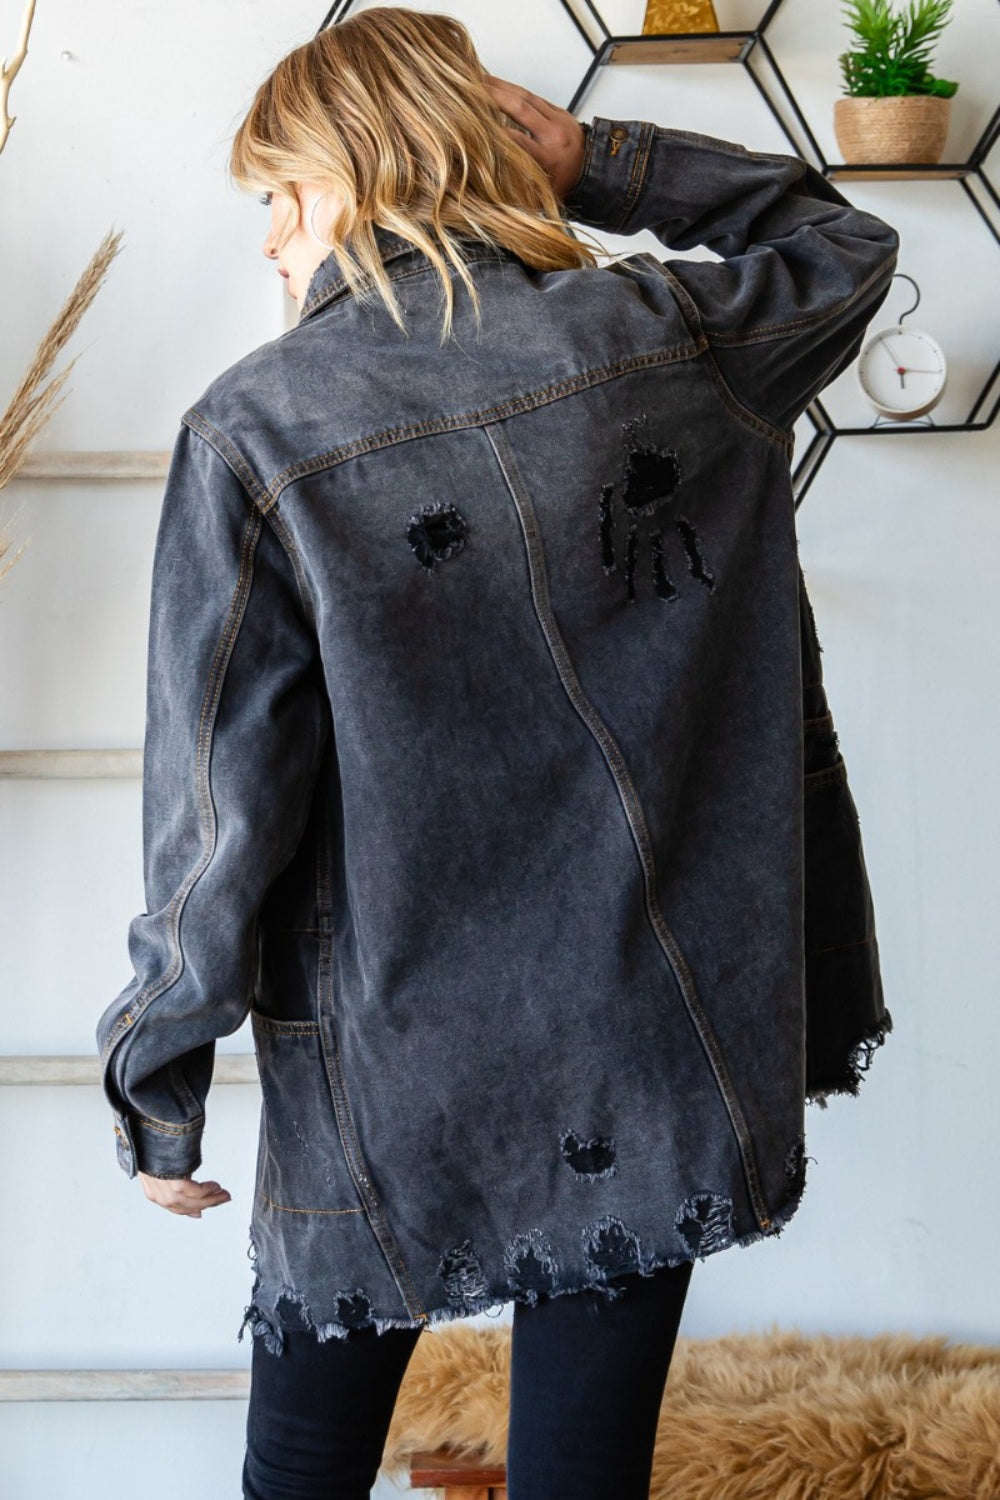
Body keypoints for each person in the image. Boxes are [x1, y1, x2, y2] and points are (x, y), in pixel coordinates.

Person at [94, 8, 898, 1498]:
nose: (269, 238)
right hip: (647, 1024)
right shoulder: (670, 339)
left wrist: (160, 1072)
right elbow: (843, 244)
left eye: (282, 194)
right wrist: (599, 158)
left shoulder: (257, 428)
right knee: (583, 1476)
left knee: (304, 1471)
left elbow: (218, 806)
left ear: (359, 173)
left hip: (393, 1052)